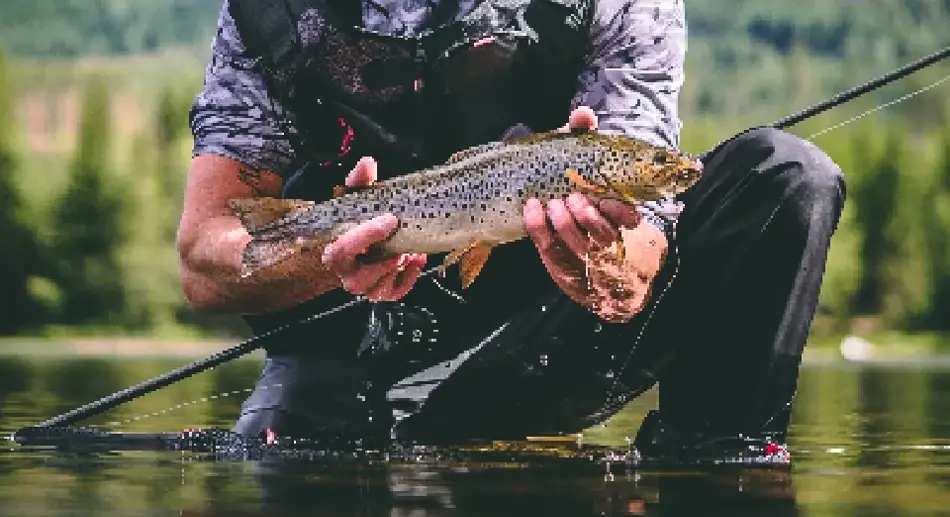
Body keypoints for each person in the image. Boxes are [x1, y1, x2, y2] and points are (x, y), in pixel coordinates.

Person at [178, 0, 846, 464]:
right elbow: (204, 260)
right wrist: (334, 257)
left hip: (539, 346)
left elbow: (645, 254)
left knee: (786, 177)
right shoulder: (269, 11)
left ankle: (716, 485)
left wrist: (599, 261)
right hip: (343, 368)